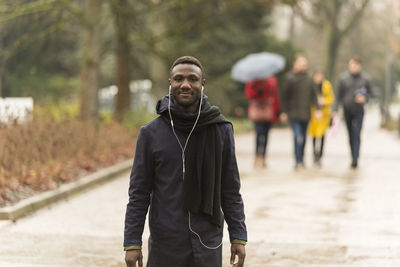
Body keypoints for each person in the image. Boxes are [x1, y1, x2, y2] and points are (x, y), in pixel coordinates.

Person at [124, 56, 247, 267]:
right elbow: (139, 192)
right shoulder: (150, 134)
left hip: (207, 241)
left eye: (193, 79)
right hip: (166, 243)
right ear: (170, 83)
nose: (185, 84)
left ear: (202, 84)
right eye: (179, 79)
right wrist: (132, 242)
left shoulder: (220, 130)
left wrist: (238, 235)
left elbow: (230, 188)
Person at [280, 54, 320, 169]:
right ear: (295, 64)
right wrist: (284, 112)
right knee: (297, 136)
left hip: (306, 113)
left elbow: (314, 95)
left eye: (305, 64)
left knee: (303, 138)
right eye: (301, 63)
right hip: (294, 113)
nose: (303, 66)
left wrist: (317, 109)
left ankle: (301, 159)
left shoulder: (309, 79)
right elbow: (284, 97)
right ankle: (297, 160)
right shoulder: (289, 78)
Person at [332, 56, 372, 169]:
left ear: (360, 66)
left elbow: (371, 94)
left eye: (356, 65)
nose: (354, 67)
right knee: (350, 134)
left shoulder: (366, 79)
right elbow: (338, 95)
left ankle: (355, 158)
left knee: (357, 134)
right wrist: (335, 109)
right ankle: (352, 155)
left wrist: (365, 98)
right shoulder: (343, 79)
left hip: (359, 110)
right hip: (347, 110)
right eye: (352, 65)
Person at [245, 76, 281, 168]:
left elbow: (275, 96)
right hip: (258, 112)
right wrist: (258, 92)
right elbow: (248, 94)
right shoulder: (253, 80)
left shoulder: (272, 80)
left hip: (268, 111)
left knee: (266, 135)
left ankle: (264, 157)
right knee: (258, 134)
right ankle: (257, 156)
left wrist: (277, 112)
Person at [307, 71, 335, 166]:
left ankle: (320, 155)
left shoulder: (327, 85)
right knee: (314, 135)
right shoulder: (311, 85)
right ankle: (315, 154)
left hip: (324, 114)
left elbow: (331, 98)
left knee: (322, 134)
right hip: (314, 113)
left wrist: (324, 101)